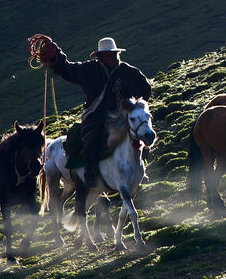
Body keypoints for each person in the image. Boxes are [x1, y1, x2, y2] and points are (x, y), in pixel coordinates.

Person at [36, 36, 151, 187]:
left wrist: (130, 90)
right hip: (96, 116)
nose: (112, 57)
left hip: (121, 116)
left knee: (142, 132)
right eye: (108, 54)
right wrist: (54, 54)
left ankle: (140, 169)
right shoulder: (89, 69)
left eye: (114, 54)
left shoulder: (129, 71)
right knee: (92, 139)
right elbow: (67, 69)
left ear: (118, 54)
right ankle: (90, 172)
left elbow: (146, 89)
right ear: (100, 57)